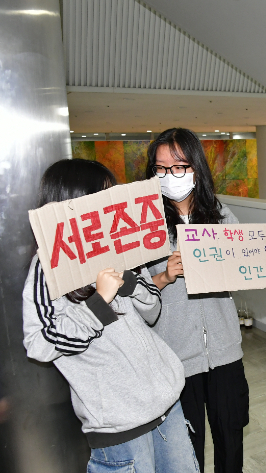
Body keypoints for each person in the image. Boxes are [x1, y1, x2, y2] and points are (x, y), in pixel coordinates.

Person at [22, 159, 197, 472]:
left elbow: (153, 310)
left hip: (167, 405)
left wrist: (131, 283)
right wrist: (99, 302)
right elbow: (39, 343)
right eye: (102, 194)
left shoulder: (119, 246)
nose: (110, 202)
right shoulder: (46, 266)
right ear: (73, 201)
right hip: (118, 427)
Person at [145, 128, 249, 473]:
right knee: (185, 447)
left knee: (230, 436)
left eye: (178, 167)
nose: (169, 177)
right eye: (160, 169)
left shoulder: (220, 215)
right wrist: (164, 276)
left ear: (196, 168)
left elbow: (244, 270)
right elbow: (133, 294)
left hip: (224, 351)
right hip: (176, 355)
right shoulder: (146, 226)